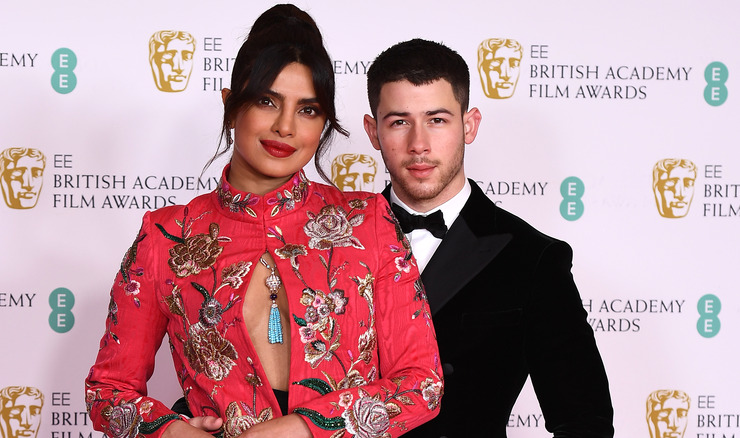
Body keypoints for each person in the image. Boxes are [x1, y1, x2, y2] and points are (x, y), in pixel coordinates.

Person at [85, 6, 443, 438]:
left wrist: (305, 429)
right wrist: (172, 432)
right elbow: (109, 391)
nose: (285, 126)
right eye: (266, 101)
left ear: (324, 123)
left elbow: (421, 384)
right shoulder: (166, 237)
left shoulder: (367, 221)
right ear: (230, 105)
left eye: (308, 110)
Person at [361, 38, 613, 436]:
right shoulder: (334, 241)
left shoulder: (533, 258)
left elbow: (585, 420)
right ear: (373, 132)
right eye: (399, 122)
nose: (419, 144)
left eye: (437, 119)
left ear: (470, 124)